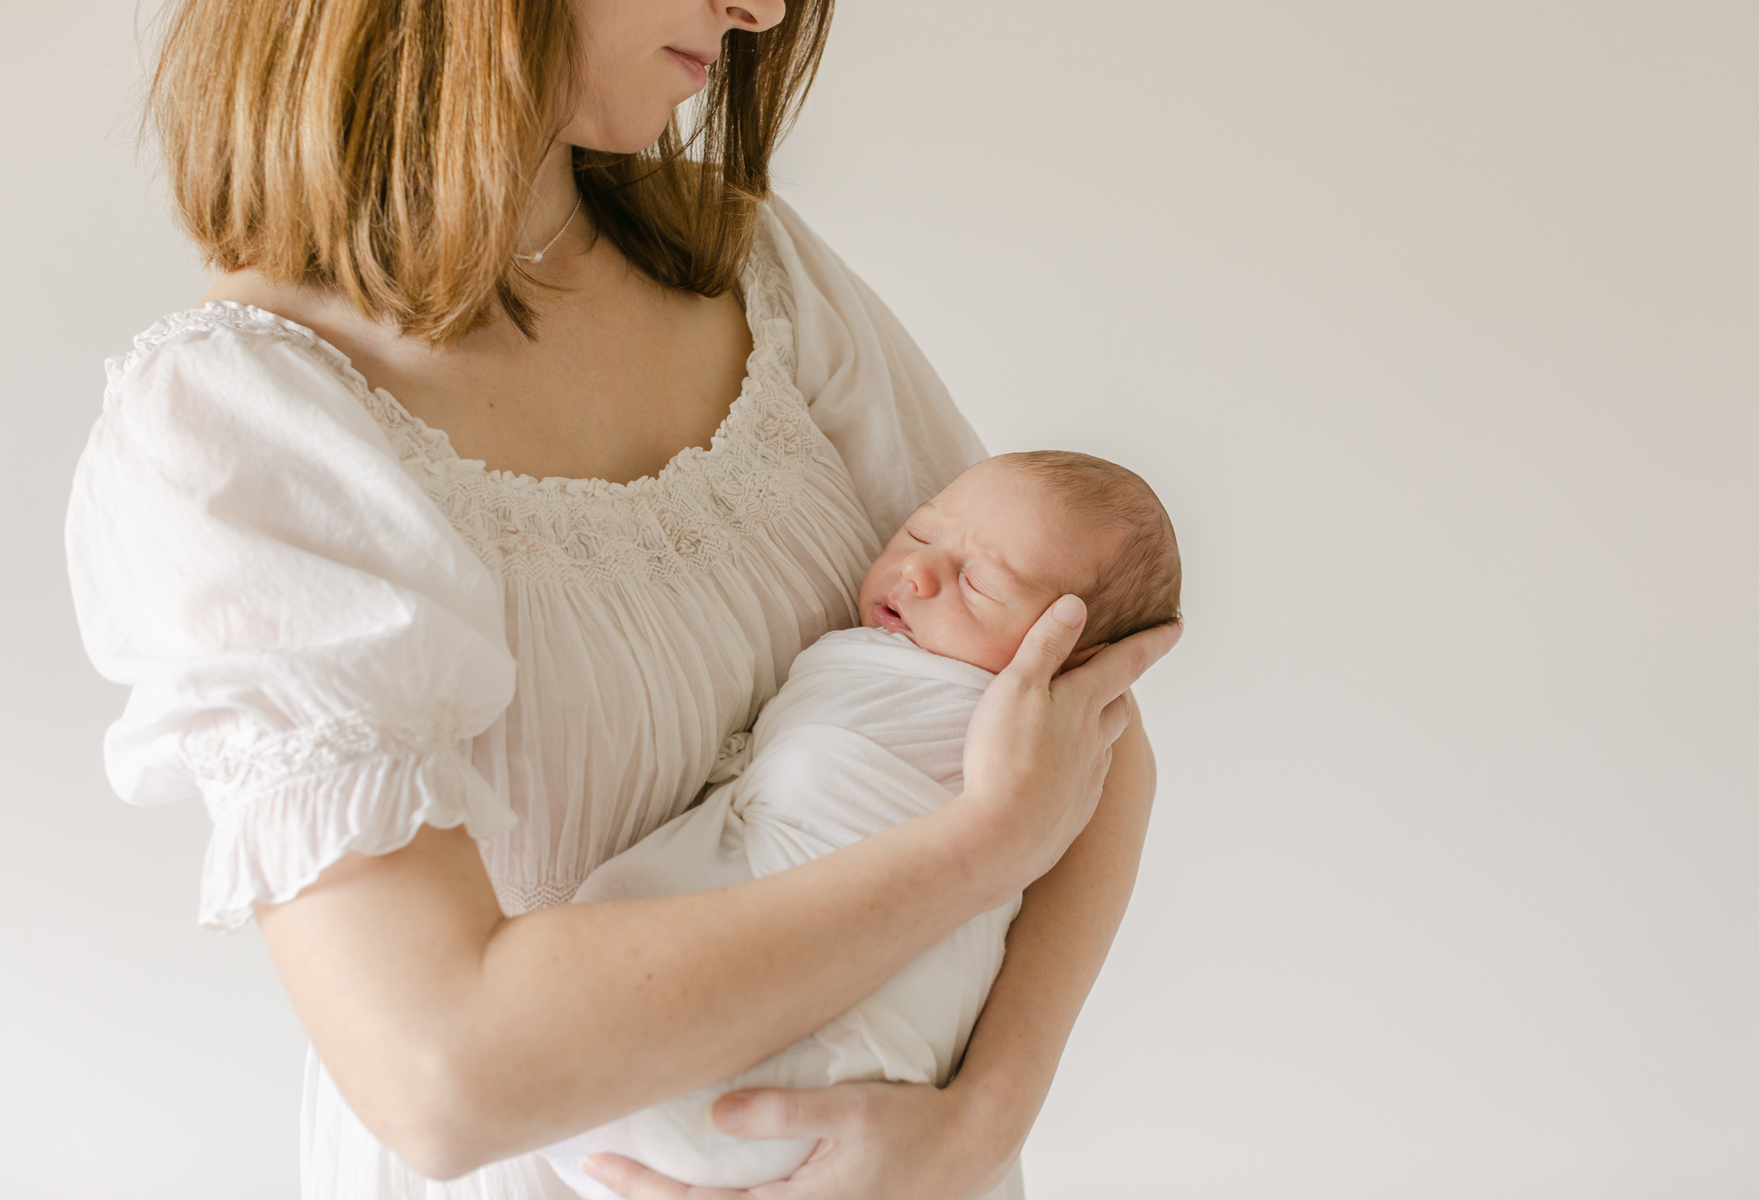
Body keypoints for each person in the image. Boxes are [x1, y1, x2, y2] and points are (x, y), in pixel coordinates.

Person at [64, 1, 1181, 1196]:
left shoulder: (754, 265)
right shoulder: (240, 423)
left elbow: (1091, 719)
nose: (759, 11)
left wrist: (978, 1127)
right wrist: (980, 850)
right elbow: (446, 1076)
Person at [537, 451, 1182, 1197]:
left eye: (979, 583)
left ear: (1076, 661)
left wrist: (987, 1122)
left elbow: (1110, 736)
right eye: (917, 534)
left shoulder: (1012, 721)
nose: (918, 574)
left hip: (842, 1097)